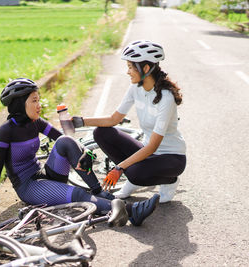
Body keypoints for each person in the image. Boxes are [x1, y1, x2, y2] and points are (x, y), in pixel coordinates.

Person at [0, 77, 160, 227]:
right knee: (78, 194)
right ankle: (130, 211)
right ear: (20, 104)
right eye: (34, 101)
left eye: (39, 100)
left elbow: (65, 140)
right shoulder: (5, 133)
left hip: (45, 174)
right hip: (28, 186)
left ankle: (99, 192)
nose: (39, 105)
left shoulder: (36, 122)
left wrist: (87, 152)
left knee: (64, 141)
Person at [72, 40, 186, 203]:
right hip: (148, 152)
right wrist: (80, 121)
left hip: (171, 158)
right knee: (102, 133)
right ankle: (133, 179)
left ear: (145, 68)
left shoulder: (166, 98)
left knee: (135, 173)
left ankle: (170, 181)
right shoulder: (136, 88)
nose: (128, 72)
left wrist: (119, 168)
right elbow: (114, 119)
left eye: (131, 67)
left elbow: (153, 146)